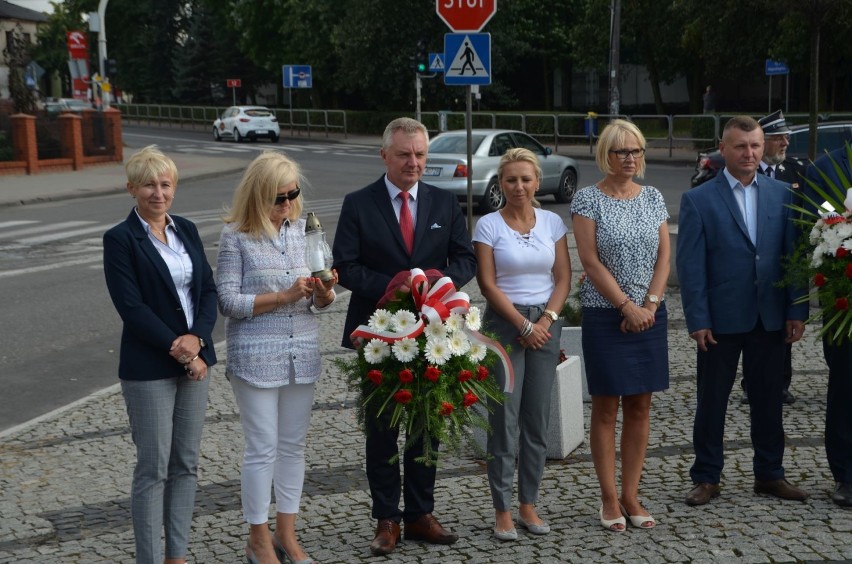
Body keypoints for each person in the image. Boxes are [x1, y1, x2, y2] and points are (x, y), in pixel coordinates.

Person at [332, 117, 476, 556]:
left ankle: (419, 514)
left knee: (425, 426)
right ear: (384, 156)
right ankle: (386, 519)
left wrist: (436, 287)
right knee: (381, 430)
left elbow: (465, 258)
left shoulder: (444, 203)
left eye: (419, 155)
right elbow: (346, 266)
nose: (413, 163)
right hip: (377, 334)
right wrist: (395, 289)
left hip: (433, 331)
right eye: (404, 155)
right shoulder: (359, 204)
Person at [676, 115, 808, 507]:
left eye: (755, 145)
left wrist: (796, 308)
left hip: (769, 317)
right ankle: (706, 476)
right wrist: (697, 319)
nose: (749, 153)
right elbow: (691, 266)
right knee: (711, 400)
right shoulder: (699, 199)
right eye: (740, 146)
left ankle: (770, 474)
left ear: (763, 145)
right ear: (723, 148)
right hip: (719, 319)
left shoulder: (782, 194)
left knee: (768, 399)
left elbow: (793, 257)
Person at [216, 152, 337, 564]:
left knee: (292, 447)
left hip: (300, 351)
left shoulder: (304, 232)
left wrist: (324, 293)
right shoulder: (236, 235)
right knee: (261, 447)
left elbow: (322, 300)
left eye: (292, 194)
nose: (287, 204)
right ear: (258, 194)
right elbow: (228, 302)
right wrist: (284, 296)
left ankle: (287, 534)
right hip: (255, 356)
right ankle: (258, 539)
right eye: (278, 197)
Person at [103, 145, 218, 564]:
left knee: (185, 464)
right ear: (132, 187)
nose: (158, 192)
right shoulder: (120, 239)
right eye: (149, 184)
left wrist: (199, 339)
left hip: (196, 357)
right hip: (149, 366)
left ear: (175, 187)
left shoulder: (185, 228)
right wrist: (184, 350)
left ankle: (178, 555)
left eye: (165, 184)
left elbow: (207, 289)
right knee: (153, 468)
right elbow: (131, 307)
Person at [571, 119, 670, 532]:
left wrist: (648, 304)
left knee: (641, 406)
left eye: (636, 151)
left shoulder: (653, 197)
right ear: (605, 155)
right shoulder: (587, 199)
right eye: (621, 151)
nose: (630, 158)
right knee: (607, 407)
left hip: (650, 313)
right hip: (605, 313)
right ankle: (609, 497)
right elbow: (590, 262)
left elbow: (665, 255)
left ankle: (631, 493)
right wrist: (626, 306)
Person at [473, 148, 571, 541]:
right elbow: (487, 283)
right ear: (500, 183)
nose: (519, 187)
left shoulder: (552, 222)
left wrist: (545, 320)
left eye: (526, 179)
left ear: (537, 182)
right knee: (504, 422)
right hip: (505, 326)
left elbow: (562, 277)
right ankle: (503, 509)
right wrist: (522, 325)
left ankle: (529, 503)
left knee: (536, 419)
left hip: (546, 326)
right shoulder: (488, 225)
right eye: (510, 180)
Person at [740, 110, 805, 405]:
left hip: (782, 264)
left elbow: (816, 207)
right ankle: (748, 383)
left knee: (781, 327)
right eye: (779, 137)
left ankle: (781, 382)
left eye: (787, 136)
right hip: (748, 268)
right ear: (762, 141)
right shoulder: (744, 172)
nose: (786, 142)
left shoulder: (796, 171)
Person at [805, 145, 852, 507]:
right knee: (845, 388)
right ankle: (846, 475)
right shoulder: (825, 168)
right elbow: (814, 223)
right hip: (844, 301)